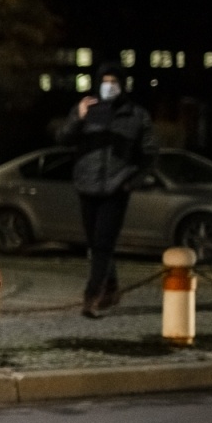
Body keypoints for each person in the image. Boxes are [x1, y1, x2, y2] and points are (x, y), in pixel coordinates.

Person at [57, 64, 157, 318]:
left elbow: (150, 154)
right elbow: (63, 139)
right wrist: (78, 118)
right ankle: (111, 287)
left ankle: (92, 296)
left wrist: (132, 182)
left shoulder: (136, 115)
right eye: (105, 80)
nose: (109, 85)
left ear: (122, 85)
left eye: (114, 81)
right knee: (96, 243)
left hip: (116, 188)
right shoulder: (88, 109)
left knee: (103, 244)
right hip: (87, 186)